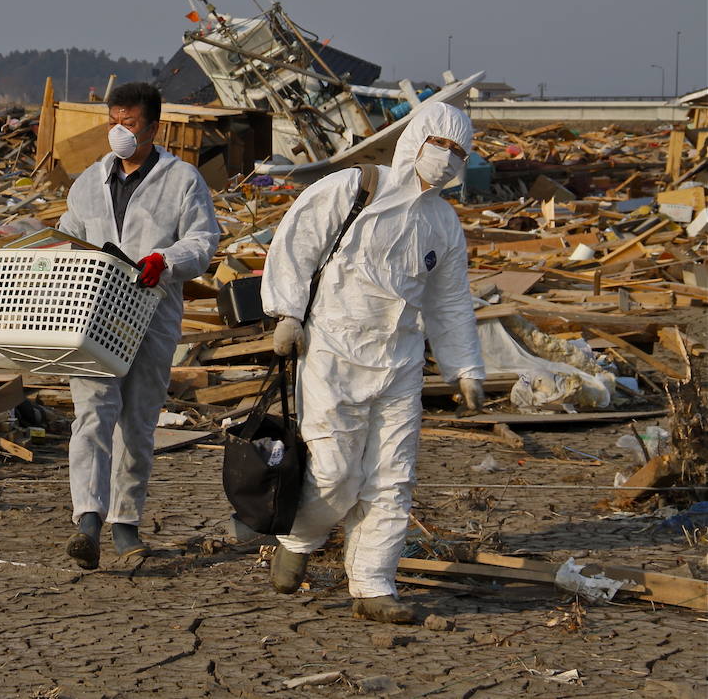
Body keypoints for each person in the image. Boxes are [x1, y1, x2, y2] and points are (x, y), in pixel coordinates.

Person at [260, 101, 486, 623]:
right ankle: (299, 538)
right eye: (441, 145)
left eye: (459, 152)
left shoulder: (443, 223)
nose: (448, 159)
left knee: (392, 476)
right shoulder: (355, 187)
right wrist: (287, 314)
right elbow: (295, 245)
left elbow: (450, 299)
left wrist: (465, 368)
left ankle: (373, 583)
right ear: (417, 140)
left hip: (400, 361)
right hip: (334, 351)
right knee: (337, 471)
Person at [57, 82, 220, 568]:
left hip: (152, 311)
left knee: (138, 421)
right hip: (94, 309)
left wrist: (165, 260)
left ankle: (125, 524)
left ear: (153, 127)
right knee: (92, 412)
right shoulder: (89, 180)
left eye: (129, 125)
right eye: (113, 122)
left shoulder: (182, 179)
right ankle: (87, 518)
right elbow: (70, 233)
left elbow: (203, 239)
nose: (119, 133)